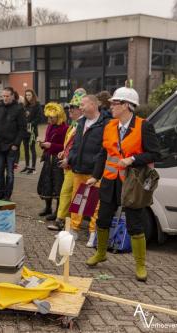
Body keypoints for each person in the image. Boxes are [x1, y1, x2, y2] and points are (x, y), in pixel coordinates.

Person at [85, 86, 160, 282]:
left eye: (114, 102)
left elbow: (155, 153)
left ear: (127, 105)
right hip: (110, 182)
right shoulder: (109, 126)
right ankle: (101, 253)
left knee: (135, 224)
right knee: (102, 220)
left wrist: (133, 159)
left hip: (131, 184)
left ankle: (140, 265)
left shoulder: (144, 126)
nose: (110, 105)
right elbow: (104, 153)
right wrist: (95, 175)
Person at [67, 95, 111, 247]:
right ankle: (74, 230)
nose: (80, 108)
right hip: (79, 168)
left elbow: (104, 149)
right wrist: (70, 158)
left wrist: (96, 166)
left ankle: (93, 233)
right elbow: (76, 144)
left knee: (95, 203)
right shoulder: (81, 122)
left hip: (96, 171)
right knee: (77, 200)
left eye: (83, 105)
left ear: (93, 104)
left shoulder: (106, 123)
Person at [47, 88, 86, 231]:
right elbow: (70, 144)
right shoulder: (74, 125)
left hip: (75, 166)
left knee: (67, 193)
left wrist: (68, 158)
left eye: (73, 108)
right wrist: (64, 151)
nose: (69, 111)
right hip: (69, 164)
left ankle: (61, 221)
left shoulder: (82, 125)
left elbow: (80, 146)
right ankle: (68, 221)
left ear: (81, 110)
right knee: (70, 194)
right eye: (69, 108)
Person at [0, 87, 27, 201]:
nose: (5, 98)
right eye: (3, 96)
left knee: (10, 173)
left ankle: (7, 195)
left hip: (12, 145)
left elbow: (22, 129)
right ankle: (0, 193)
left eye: (7, 96)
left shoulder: (19, 109)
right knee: (0, 171)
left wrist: (16, 144)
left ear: (12, 96)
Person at [37, 103, 68, 220]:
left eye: (52, 117)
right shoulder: (50, 126)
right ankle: (48, 207)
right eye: (48, 117)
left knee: (58, 185)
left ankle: (57, 211)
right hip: (48, 159)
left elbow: (65, 146)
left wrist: (51, 145)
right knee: (47, 183)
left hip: (58, 160)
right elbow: (48, 141)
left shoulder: (65, 128)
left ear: (59, 116)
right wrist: (43, 144)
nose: (49, 120)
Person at [21, 89, 41, 175]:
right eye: (26, 95)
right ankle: (27, 166)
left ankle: (33, 167)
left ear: (33, 96)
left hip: (32, 130)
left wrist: (30, 124)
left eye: (29, 95)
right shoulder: (24, 106)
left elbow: (38, 118)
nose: (28, 97)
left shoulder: (37, 105)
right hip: (24, 131)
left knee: (32, 148)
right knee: (25, 148)